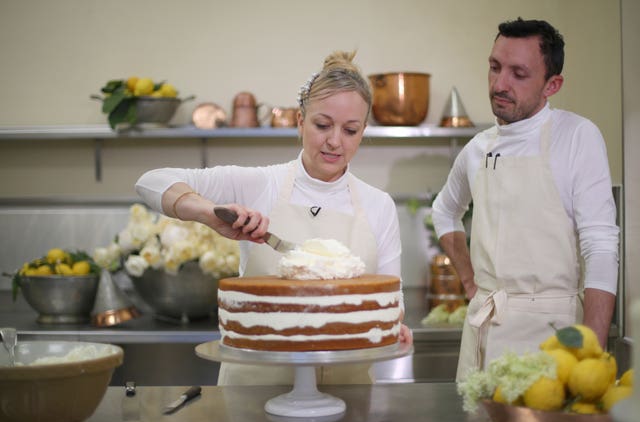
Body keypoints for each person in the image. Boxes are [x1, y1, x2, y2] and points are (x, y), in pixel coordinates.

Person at [135, 50, 413, 385]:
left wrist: (395, 327)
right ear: (300, 120)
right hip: (254, 386)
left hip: (348, 391)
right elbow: (150, 182)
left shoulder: (378, 205)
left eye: (350, 130)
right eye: (322, 125)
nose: (335, 142)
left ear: (363, 131)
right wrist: (210, 214)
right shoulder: (258, 185)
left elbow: (390, 304)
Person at [431, 18, 619, 381]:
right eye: (495, 67)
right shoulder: (476, 149)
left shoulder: (577, 136)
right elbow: (444, 211)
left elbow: (600, 245)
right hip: (484, 328)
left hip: (554, 336)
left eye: (519, 73)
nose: (500, 84)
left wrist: (591, 353)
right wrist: (471, 282)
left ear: (552, 85)